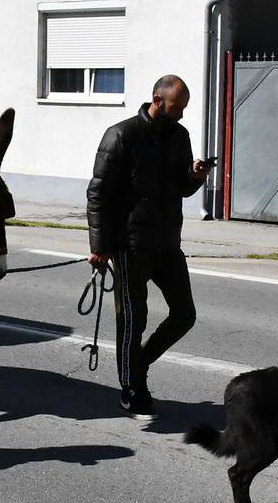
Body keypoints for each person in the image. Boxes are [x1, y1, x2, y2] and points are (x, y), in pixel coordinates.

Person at [85, 74, 212, 416]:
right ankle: (131, 387)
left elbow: (181, 187)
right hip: (131, 245)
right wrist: (99, 244)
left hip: (168, 243)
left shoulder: (179, 136)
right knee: (132, 319)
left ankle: (138, 364)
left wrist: (195, 177)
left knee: (185, 314)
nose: (182, 114)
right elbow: (98, 193)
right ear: (157, 99)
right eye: (177, 106)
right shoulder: (122, 135)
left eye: (185, 107)